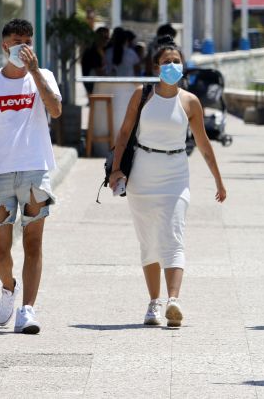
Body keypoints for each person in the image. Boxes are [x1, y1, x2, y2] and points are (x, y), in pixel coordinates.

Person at [109, 38, 227, 327]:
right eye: (166, 62)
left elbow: (203, 143)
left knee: (173, 233)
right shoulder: (143, 95)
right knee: (148, 240)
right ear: (156, 67)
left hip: (176, 172)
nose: (172, 66)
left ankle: (174, 300)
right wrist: (115, 170)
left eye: (176, 61)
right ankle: (154, 303)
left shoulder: (189, 101)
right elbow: (124, 134)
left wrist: (218, 181)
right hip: (143, 175)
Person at [0, 19, 62, 333]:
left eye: (28, 40)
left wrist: (35, 73)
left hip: (35, 169)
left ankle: (27, 310)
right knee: (0, 250)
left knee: (33, 242)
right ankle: (8, 286)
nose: (23, 47)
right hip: (1, 172)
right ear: (5, 45)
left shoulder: (44, 77)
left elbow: (55, 110)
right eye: (17, 41)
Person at [81, 26, 109, 94]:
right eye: (103, 37)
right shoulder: (91, 51)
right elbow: (97, 70)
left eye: (107, 37)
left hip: (99, 82)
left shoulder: (104, 50)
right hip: (92, 83)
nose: (106, 40)